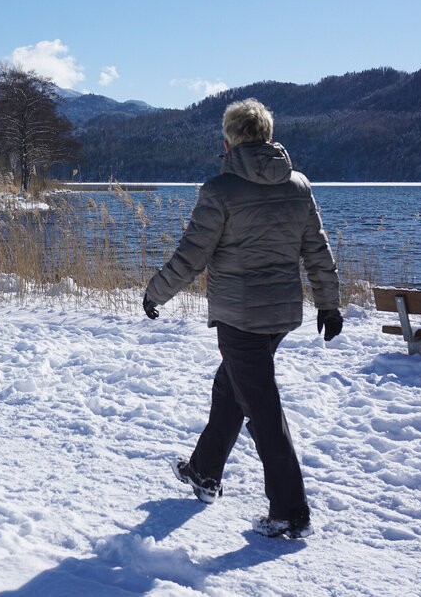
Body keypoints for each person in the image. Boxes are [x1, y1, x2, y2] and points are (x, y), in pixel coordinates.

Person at [143, 98, 342, 539]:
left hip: (239, 318)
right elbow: (317, 251)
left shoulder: (219, 190)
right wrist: (328, 303)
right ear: (269, 138)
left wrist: (156, 293)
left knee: (264, 411)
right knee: (230, 386)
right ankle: (203, 471)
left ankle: (291, 512)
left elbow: (191, 256)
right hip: (281, 315)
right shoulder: (299, 186)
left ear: (228, 141)